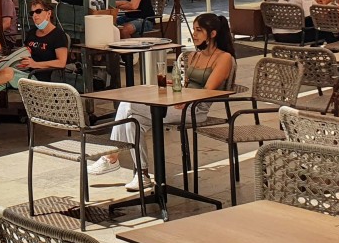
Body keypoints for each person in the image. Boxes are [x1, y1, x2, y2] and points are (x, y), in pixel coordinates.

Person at [90, 12, 236, 191]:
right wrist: (173, 86)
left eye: (199, 30)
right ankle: (141, 174)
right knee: (133, 121)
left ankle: (111, 156)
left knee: (128, 106)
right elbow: (184, 83)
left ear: (212, 33)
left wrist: (184, 98)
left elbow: (208, 91)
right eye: (194, 30)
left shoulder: (224, 58)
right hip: (179, 102)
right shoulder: (193, 56)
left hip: (195, 109)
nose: (194, 34)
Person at [0, 0, 69, 141]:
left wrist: (35, 64)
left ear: (49, 13)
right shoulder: (32, 32)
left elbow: (61, 62)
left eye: (38, 11)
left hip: (38, 77)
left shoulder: (58, 35)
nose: (35, 15)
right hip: (22, 71)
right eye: (32, 12)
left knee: (8, 73)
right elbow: (27, 51)